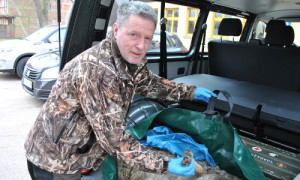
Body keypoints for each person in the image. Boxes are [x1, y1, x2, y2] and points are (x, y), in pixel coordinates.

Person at [24, 1, 217, 179]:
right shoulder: (98, 71)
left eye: (148, 38)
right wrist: (164, 164)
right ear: (116, 30)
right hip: (55, 159)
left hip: (80, 150)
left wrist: (190, 92)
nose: (141, 46)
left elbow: (150, 83)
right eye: (133, 35)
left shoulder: (130, 57)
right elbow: (115, 139)